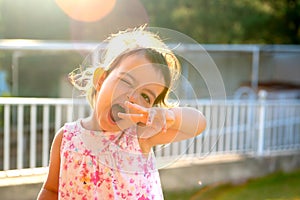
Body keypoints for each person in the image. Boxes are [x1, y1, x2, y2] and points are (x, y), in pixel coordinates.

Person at [37, 26, 206, 200]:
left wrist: (169, 116)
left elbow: (198, 123)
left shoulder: (140, 136)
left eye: (146, 96)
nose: (132, 97)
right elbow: (51, 190)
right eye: (126, 81)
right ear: (101, 80)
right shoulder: (66, 138)